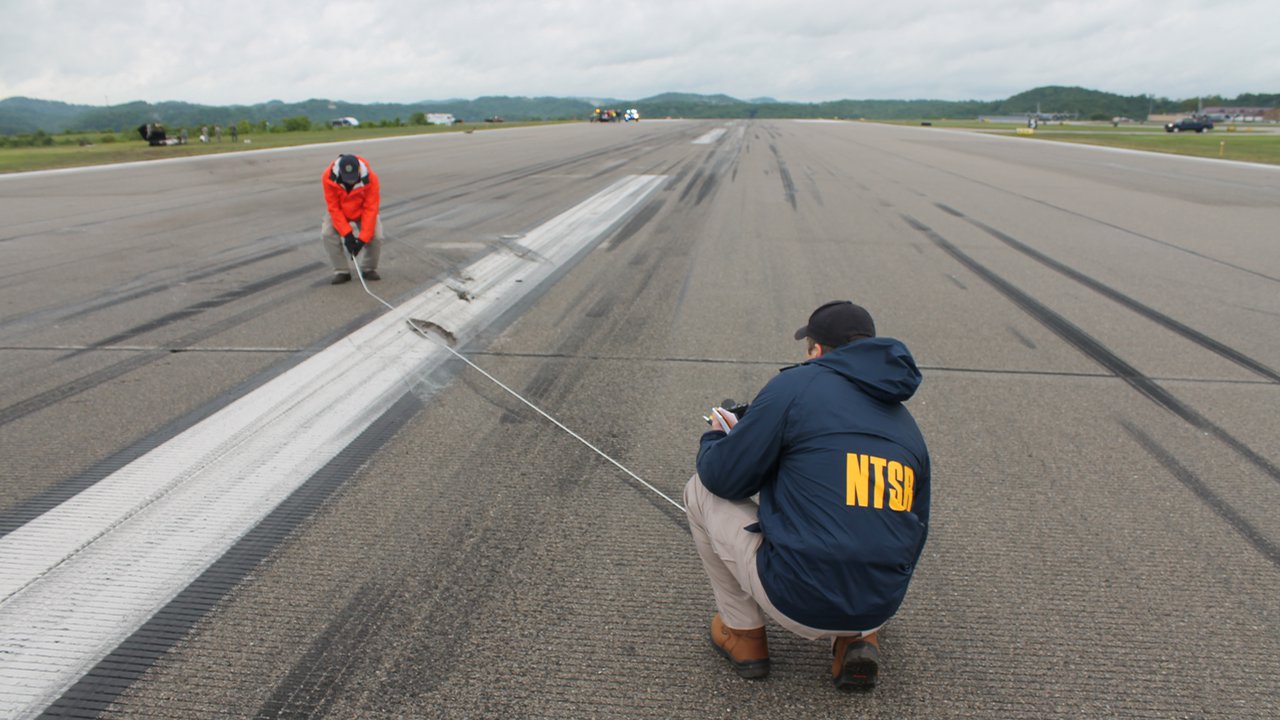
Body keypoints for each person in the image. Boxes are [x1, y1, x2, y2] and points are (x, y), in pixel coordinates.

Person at [685, 300, 930, 690]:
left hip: (799, 601)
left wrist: (716, 435)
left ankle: (744, 635)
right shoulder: (906, 424)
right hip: (880, 604)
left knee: (700, 489)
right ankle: (858, 636)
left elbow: (724, 477)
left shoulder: (796, 386)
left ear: (816, 350)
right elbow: (917, 528)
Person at [321, 153, 383, 284]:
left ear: (359, 170)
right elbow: (333, 208)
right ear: (340, 172)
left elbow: (371, 209)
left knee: (376, 235)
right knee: (327, 233)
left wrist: (361, 240)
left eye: (353, 177)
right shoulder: (328, 177)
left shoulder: (371, 178)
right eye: (347, 178)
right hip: (340, 211)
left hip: (362, 210)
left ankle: (368, 268)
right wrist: (348, 235)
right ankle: (342, 271)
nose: (350, 181)